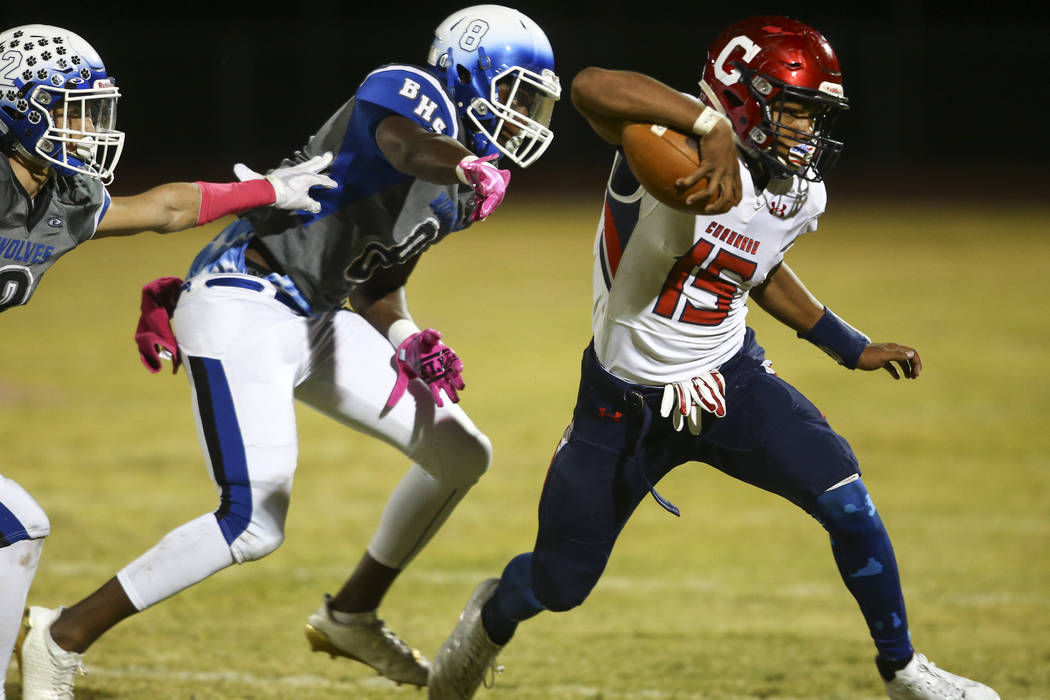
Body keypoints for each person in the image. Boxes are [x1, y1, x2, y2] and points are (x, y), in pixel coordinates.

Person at [14, 6, 693, 698]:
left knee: (462, 452)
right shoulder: (409, 92)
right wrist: (461, 164)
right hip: (243, 297)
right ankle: (61, 637)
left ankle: (352, 613)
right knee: (252, 522)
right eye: (516, 94)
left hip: (313, 315)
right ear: (466, 75)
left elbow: (377, 272)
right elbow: (403, 145)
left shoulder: (473, 183)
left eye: (536, 103)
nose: (526, 116)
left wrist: (405, 334)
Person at [427, 15, 1001, 700]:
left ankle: (903, 670)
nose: (805, 132)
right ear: (745, 98)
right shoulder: (658, 148)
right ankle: (490, 618)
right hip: (625, 404)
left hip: (731, 380)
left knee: (848, 503)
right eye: (793, 112)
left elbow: (752, 268)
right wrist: (711, 126)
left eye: (812, 117)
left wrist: (849, 346)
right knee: (558, 583)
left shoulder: (797, 191)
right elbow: (590, 87)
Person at [0, 23, 335, 700]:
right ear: (16, 107)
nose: (85, 126)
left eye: (88, 110)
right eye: (67, 109)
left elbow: (165, 207)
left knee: (17, 526)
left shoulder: (60, 199)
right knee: (16, 527)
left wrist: (266, 191)